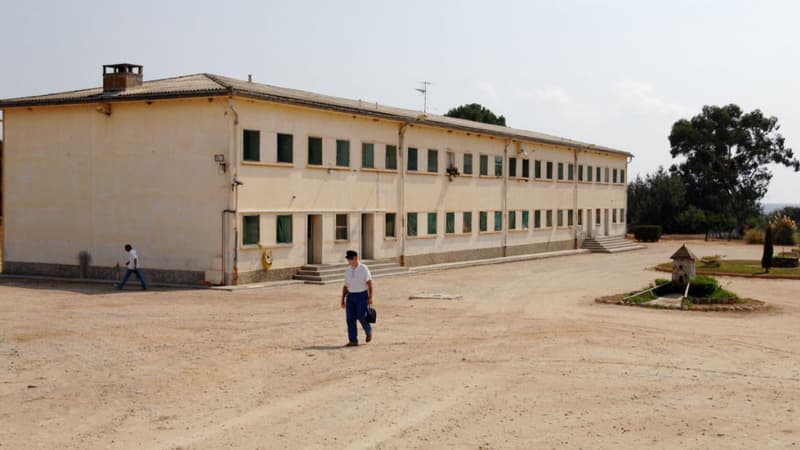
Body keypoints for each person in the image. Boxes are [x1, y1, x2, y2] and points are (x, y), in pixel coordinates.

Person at [341, 250, 372, 346]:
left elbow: (369, 284)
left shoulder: (364, 269)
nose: (348, 261)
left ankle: (368, 330)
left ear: (355, 258)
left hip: (362, 296)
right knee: (350, 319)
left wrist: (370, 297)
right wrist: (342, 299)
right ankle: (353, 340)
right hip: (350, 297)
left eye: (349, 259)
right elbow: (345, 286)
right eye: (348, 259)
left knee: (361, 316)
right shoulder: (348, 270)